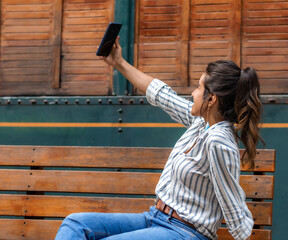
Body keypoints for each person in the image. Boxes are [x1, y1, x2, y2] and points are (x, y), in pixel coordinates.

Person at [55, 36, 263, 240]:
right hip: (155, 218)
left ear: (212, 99)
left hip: (184, 232)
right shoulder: (201, 123)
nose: (193, 93)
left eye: (198, 87)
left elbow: (232, 205)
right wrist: (118, 62)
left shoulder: (218, 141)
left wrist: (243, 230)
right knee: (76, 225)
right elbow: (162, 94)